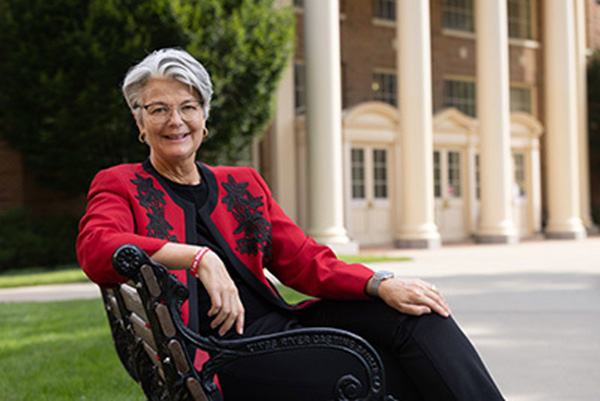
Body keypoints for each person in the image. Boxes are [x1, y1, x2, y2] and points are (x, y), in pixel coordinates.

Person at [77, 48, 504, 400]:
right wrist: (198, 258)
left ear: (204, 118)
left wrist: (380, 283)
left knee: (418, 317)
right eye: (159, 109)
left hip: (283, 329)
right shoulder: (121, 184)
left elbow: (304, 262)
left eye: (188, 107)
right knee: (381, 371)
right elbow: (97, 248)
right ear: (139, 121)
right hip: (222, 355)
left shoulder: (241, 184)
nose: (176, 121)